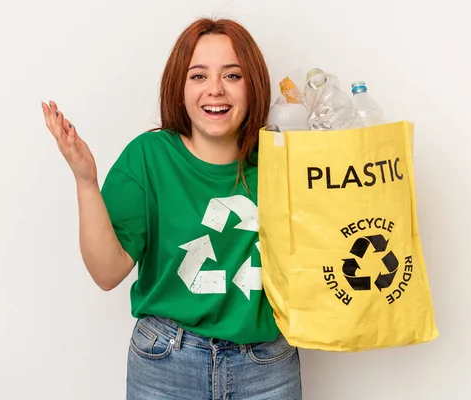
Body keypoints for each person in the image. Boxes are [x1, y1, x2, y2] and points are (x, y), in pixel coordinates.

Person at [41, 17, 302, 400]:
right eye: (198, 76)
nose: (215, 89)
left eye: (232, 75)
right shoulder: (149, 157)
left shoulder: (284, 161)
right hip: (166, 363)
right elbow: (108, 272)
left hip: (266, 366)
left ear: (254, 86)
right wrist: (85, 181)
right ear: (179, 88)